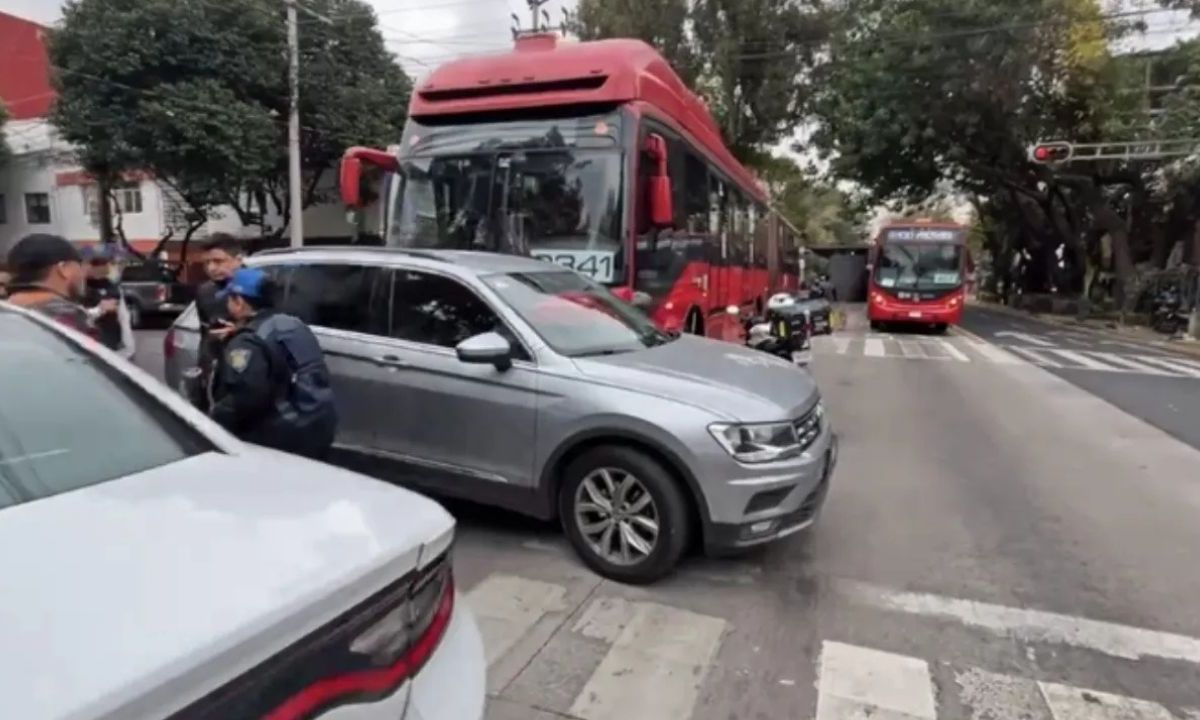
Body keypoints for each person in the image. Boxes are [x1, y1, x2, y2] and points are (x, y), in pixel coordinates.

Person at [209, 267, 338, 459]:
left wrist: (213, 422)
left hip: (278, 438)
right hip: (317, 426)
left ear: (239, 302)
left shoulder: (248, 342)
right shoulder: (292, 324)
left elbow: (245, 396)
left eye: (230, 298)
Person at [190, 233, 245, 410]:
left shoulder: (258, 286)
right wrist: (202, 370)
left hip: (248, 370)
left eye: (218, 261)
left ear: (238, 259)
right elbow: (205, 332)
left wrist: (240, 329)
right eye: (207, 263)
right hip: (215, 370)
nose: (212, 268)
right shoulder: (205, 291)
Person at [4, 233, 95, 337]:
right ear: (64, 269)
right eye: (79, 265)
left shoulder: (5, 313)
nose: (83, 274)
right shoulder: (69, 316)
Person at [81, 244, 136, 359]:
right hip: (90, 350)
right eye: (96, 263)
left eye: (106, 262)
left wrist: (129, 348)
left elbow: (123, 318)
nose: (103, 267)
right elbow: (78, 317)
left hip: (115, 349)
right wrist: (99, 310)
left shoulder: (113, 287)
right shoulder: (80, 289)